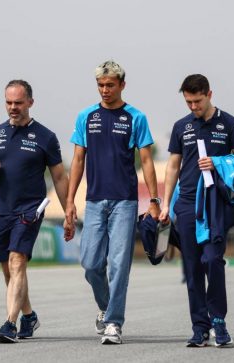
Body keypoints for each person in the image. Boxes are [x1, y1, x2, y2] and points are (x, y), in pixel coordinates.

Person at [65, 60, 160, 344]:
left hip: (125, 203)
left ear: (122, 85)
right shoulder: (86, 116)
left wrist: (154, 200)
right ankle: (106, 307)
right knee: (91, 263)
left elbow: (146, 160)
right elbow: (78, 159)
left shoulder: (136, 117)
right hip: (94, 200)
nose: (104, 90)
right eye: (100, 85)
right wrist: (69, 201)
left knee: (119, 264)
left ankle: (114, 323)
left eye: (110, 85)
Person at [159, 74, 234, 347]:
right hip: (186, 203)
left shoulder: (230, 123)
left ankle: (218, 321)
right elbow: (173, 165)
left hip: (215, 204)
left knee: (212, 260)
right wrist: (165, 204)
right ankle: (200, 327)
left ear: (210, 94)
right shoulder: (181, 126)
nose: (194, 107)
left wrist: (217, 162)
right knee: (193, 266)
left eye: (197, 101)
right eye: (188, 102)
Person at [0, 80, 71, 343]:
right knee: (8, 268)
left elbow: (59, 177)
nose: (13, 107)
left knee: (17, 260)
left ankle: (10, 323)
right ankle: (29, 315)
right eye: (9, 102)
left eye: (18, 103)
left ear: (30, 102)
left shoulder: (46, 137)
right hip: (0, 209)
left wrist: (68, 211)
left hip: (30, 209)